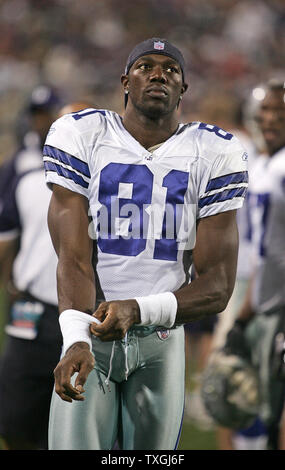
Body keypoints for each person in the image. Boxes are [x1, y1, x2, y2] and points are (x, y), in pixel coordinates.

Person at [45, 37, 248, 450]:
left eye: (171, 69)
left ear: (183, 89)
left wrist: (138, 309)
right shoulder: (83, 134)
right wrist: (76, 338)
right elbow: (72, 257)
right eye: (145, 67)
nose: (158, 74)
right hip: (91, 331)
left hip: (160, 338)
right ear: (125, 80)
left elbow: (218, 286)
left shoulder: (213, 152)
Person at [0, 93, 92, 450]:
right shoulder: (25, 179)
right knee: (16, 420)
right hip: (33, 313)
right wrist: (12, 281)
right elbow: (6, 239)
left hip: (89, 319)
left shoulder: (118, 189)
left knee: (80, 432)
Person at [223, 79, 285, 450]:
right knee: (265, 413)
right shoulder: (264, 165)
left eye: (280, 111)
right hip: (267, 308)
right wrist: (244, 318)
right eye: (265, 111)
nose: (271, 118)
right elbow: (266, 256)